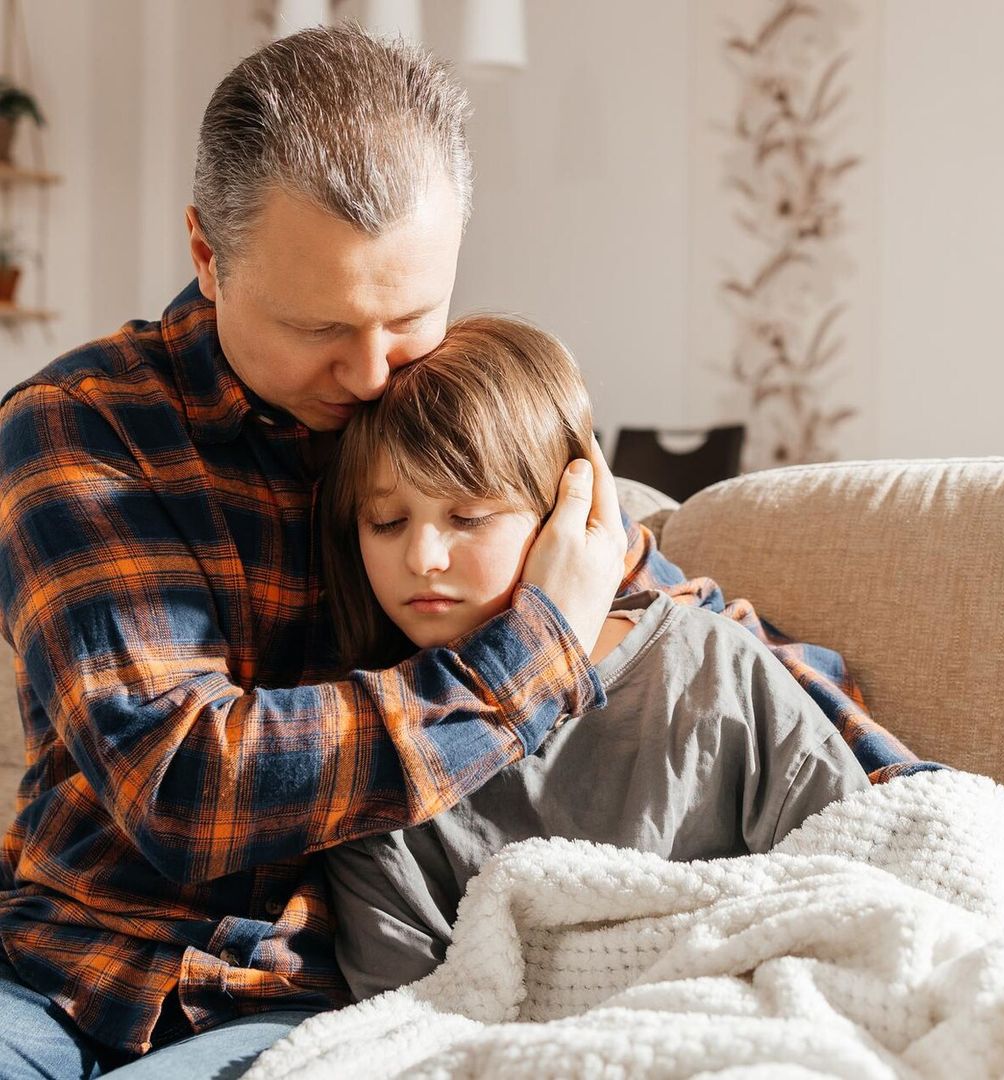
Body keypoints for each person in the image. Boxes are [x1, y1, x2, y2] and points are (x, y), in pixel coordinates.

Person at [0, 22, 922, 1080]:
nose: (369, 372)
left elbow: (671, 622)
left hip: (304, 1000)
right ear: (209, 256)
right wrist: (527, 658)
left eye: (409, 315)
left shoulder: (441, 419)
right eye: (318, 328)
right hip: (64, 970)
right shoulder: (82, 432)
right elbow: (182, 789)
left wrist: (915, 801)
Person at [317, 314, 871, 1000]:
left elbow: (866, 892)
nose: (423, 558)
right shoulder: (377, 754)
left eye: (468, 517)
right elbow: (404, 1014)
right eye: (387, 521)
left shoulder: (712, 671)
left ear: (572, 513)